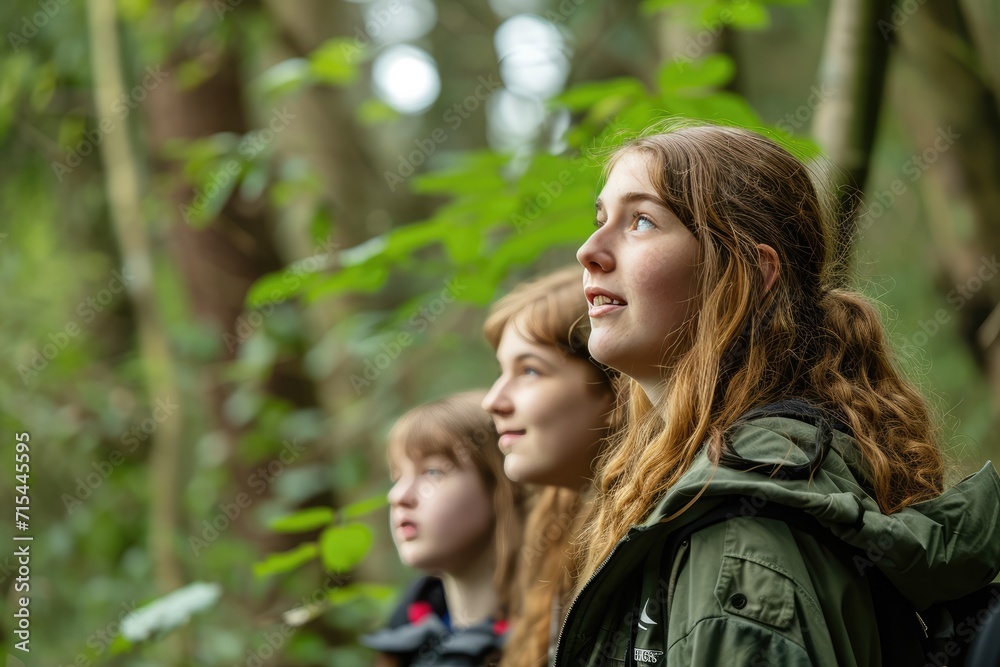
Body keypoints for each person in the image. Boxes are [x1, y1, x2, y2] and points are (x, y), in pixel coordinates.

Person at [555, 124, 1000, 666]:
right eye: (601, 220)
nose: (589, 251)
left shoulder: (740, 529)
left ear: (750, 274)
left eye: (641, 220)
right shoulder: (728, 493)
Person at [480, 267, 621, 667]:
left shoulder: (668, 530)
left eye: (528, 371)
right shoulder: (558, 534)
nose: (493, 400)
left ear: (616, 393)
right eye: (500, 371)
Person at [361, 391, 523, 667]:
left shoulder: (559, 631)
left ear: (501, 488)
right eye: (397, 476)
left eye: (432, 472)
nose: (398, 496)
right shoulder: (404, 633)